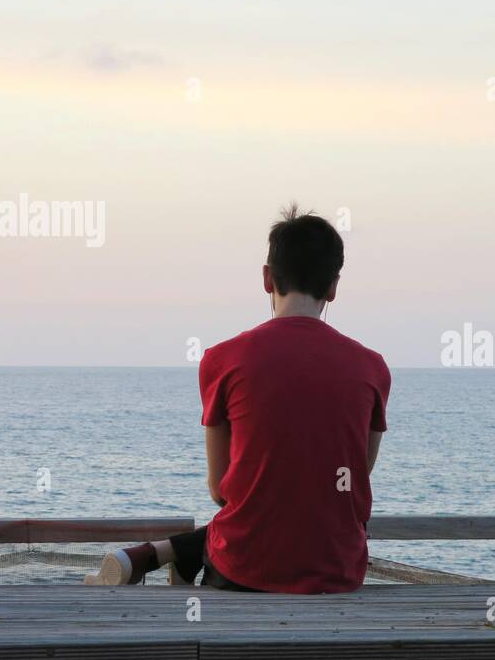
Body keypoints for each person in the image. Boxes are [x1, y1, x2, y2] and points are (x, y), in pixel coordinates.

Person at [86, 204, 390, 593]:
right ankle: (165, 553)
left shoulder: (222, 360)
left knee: (242, 519)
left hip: (244, 571)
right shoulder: (372, 368)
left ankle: (165, 553)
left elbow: (219, 491)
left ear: (267, 278)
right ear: (334, 286)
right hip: (337, 573)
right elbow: (353, 478)